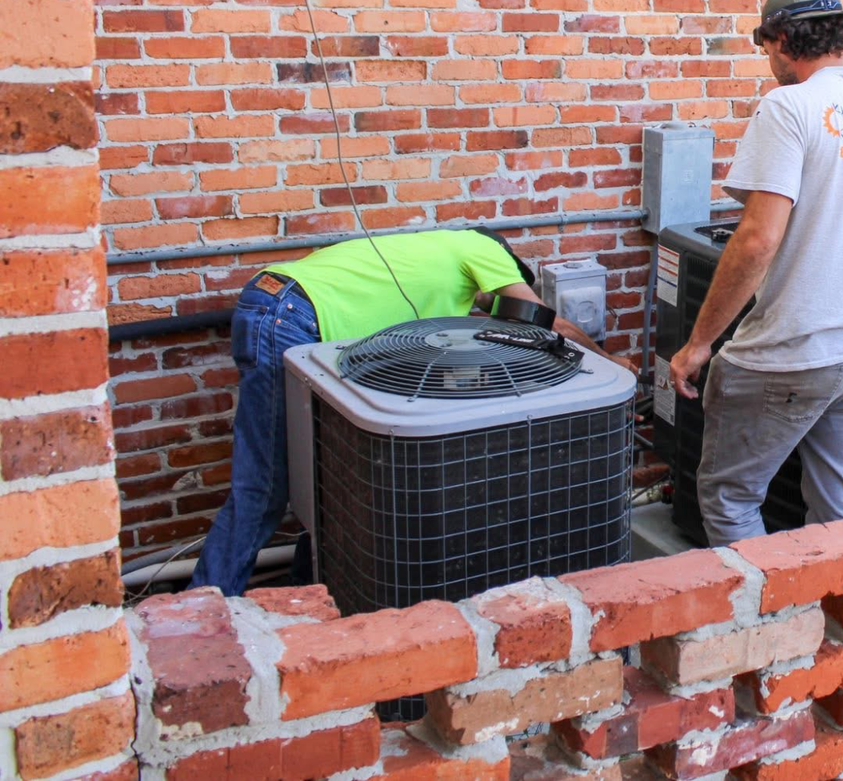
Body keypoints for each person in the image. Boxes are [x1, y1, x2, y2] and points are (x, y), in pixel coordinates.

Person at [190, 227, 627, 595]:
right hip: (290, 314)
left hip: (276, 302)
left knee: (327, 475)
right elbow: (543, 324)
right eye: (489, 297)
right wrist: (610, 362)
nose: (484, 308)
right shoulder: (481, 247)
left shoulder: (418, 263)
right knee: (264, 490)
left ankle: (313, 595)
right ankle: (200, 616)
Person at [669, 0, 843, 545]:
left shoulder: (789, 106)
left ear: (784, 39)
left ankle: (767, 626)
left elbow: (755, 242)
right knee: (839, 509)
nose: (768, 61)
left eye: (766, 48)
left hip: (792, 352)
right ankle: (834, 622)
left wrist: (698, 345)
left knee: (730, 498)